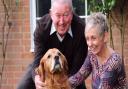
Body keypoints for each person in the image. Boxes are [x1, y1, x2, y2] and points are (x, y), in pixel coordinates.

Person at [17, 0, 88, 89]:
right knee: (23, 86)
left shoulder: (81, 28)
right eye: (58, 15)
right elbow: (38, 59)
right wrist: (36, 77)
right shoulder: (41, 27)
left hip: (71, 67)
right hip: (45, 65)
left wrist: (66, 84)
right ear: (51, 14)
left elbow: (78, 65)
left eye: (66, 15)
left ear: (72, 13)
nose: (62, 22)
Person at [69, 12, 127, 89]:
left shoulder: (114, 61)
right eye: (87, 39)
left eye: (93, 38)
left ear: (105, 36)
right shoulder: (92, 55)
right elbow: (79, 77)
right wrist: (56, 85)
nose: (89, 44)